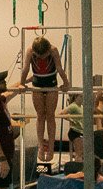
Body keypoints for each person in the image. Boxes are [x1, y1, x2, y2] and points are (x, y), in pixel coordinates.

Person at [18, 36, 68, 165]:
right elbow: (25, 68)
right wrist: (22, 83)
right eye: (38, 55)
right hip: (37, 84)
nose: (41, 57)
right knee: (40, 115)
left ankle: (51, 147)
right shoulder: (30, 51)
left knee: (50, 115)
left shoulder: (53, 50)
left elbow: (59, 68)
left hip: (51, 84)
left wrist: (66, 83)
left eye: (43, 55)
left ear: (48, 50)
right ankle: (40, 146)